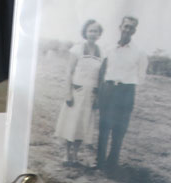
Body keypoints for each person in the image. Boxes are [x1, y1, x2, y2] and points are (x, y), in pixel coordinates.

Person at [96, 16, 148, 171]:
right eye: (125, 26)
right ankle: (99, 162)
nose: (127, 30)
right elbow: (102, 69)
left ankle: (112, 163)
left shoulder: (139, 52)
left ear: (134, 31)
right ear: (120, 27)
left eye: (131, 28)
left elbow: (141, 76)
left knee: (119, 129)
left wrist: (126, 83)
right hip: (108, 90)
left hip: (126, 92)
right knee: (104, 127)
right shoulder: (109, 47)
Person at [54, 19, 104, 167]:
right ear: (85, 32)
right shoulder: (77, 49)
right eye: (90, 31)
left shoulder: (102, 52)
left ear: (99, 34)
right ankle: (67, 154)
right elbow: (69, 72)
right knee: (71, 124)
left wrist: (98, 97)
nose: (93, 34)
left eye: (96, 31)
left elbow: (101, 77)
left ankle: (76, 155)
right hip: (76, 92)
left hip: (91, 95)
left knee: (83, 126)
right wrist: (67, 93)